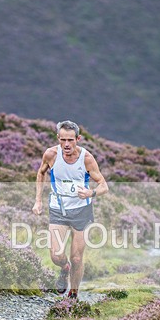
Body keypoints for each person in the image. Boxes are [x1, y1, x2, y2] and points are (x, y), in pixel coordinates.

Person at [32, 120, 108, 298]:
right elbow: (41, 173)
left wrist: (91, 193)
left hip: (81, 211)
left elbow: (104, 185)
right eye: (63, 140)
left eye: (70, 140)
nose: (66, 144)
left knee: (77, 258)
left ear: (78, 139)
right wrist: (38, 201)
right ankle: (64, 268)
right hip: (58, 209)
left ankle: (73, 295)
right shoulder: (51, 154)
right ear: (58, 138)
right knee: (56, 256)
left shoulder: (86, 159)